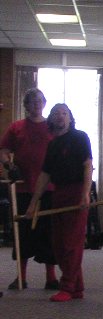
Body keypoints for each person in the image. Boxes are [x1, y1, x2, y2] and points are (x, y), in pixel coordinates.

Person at [25, 103, 93, 302]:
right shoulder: (53, 144)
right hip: (59, 194)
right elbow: (45, 175)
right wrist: (33, 203)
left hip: (77, 192)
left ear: (70, 118)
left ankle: (67, 286)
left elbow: (88, 166)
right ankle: (77, 287)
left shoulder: (80, 137)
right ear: (51, 119)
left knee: (72, 242)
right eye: (56, 113)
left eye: (64, 113)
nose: (60, 116)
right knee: (59, 244)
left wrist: (85, 194)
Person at [0, 88, 59, 290]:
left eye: (40, 100)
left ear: (44, 103)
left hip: (49, 188)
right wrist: (8, 164)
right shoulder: (16, 127)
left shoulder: (52, 127)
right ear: (26, 105)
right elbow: (3, 151)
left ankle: (51, 277)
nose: (37, 104)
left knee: (48, 233)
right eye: (33, 101)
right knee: (23, 234)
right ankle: (21, 276)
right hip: (23, 188)